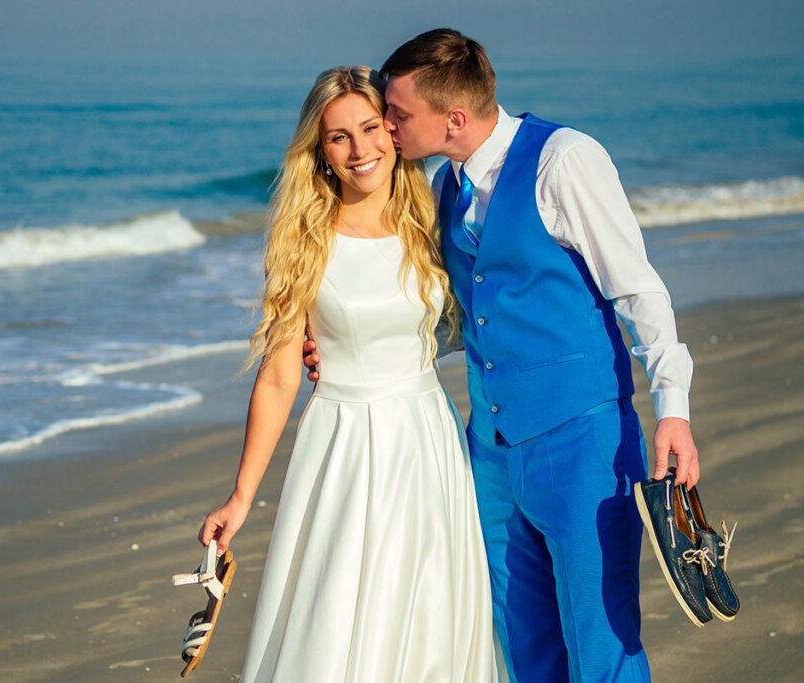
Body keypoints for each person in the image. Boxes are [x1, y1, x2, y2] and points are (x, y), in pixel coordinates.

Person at [303, 30, 699, 681]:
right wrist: (353, 346)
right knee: (522, 648)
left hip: (582, 446)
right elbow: (467, 319)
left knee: (601, 647)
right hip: (489, 454)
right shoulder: (443, 188)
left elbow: (639, 292)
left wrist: (674, 410)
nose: (387, 129)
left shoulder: (564, 161)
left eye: (397, 115)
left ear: (453, 118)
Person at [198, 66, 502, 682]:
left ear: (394, 131)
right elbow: (281, 376)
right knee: (335, 622)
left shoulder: (434, 220)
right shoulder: (304, 241)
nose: (360, 149)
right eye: (339, 137)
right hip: (341, 448)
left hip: (426, 441)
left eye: (369, 128)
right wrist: (240, 496)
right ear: (321, 151)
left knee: (431, 616)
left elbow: (473, 322)